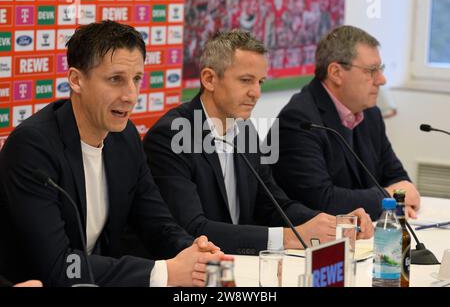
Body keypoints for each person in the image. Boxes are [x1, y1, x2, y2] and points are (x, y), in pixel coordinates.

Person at [0, 21, 223, 287]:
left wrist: (192, 252)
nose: (130, 95)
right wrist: (164, 272)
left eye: (137, 79)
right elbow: (58, 265)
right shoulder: (33, 146)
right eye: (115, 79)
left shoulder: (124, 137)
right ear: (76, 80)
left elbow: (156, 221)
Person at [143, 29, 373, 255]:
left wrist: (331, 224)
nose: (256, 93)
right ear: (209, 79)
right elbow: (192, 228)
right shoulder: (173, 135)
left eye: (260, 82)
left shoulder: (245, 130)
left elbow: (273, 205)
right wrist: (288, 237)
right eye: (245, 81)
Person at [270, 25, 420, 220]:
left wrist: (397, 197)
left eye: (380, 69)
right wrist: (391, 199)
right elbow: (322, 200)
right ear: (336, 73)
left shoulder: (371, 114)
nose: (381, 80)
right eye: (371, 71)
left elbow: (397, 177)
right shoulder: (299, 120)